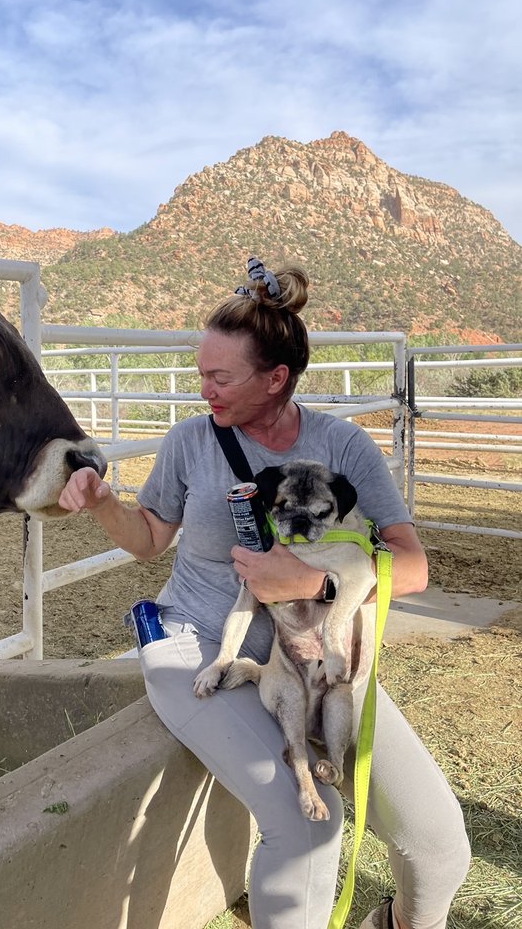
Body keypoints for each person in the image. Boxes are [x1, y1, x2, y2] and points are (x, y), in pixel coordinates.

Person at [58, 258, 470, 929]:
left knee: (439, 844)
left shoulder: (343, 446)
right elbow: (147, 539)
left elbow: (412, 565)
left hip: (311, 664)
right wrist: (104, 502)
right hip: (196, 647)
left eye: (220, 377)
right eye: (201, 372)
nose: (204, 390)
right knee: (309, 827)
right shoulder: (191, 441)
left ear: (276, 378)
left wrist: (314, 583)